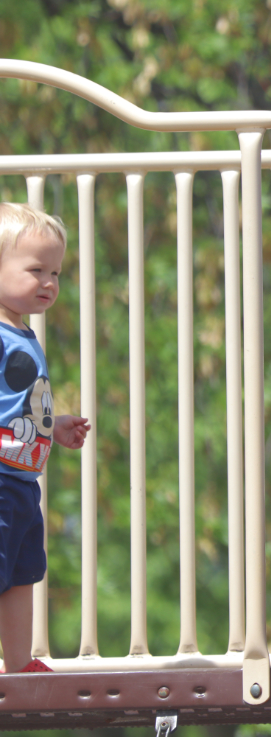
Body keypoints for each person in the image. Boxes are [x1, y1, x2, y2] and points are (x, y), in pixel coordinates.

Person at [0, 204, 89, 674]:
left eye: (55, 271)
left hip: (21, 482)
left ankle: (18, 663)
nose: (49, 282)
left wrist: (56, 427)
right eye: (36, 269)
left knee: (22, 573)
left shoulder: (24, 334)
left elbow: (22, 408)